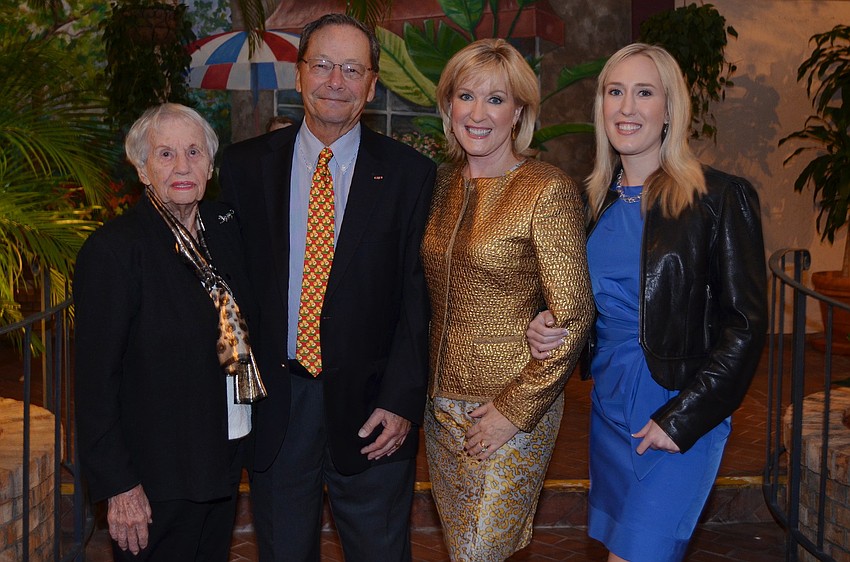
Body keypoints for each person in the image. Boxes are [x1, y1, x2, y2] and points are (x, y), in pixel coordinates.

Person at [526, 43, 767, 562]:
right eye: (615, 92)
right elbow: (584, 304)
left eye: (644, 93)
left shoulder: (719, 198)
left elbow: (745, 327)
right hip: (610, 410)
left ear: (670, 109)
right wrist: (549, 323)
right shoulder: (589, 203)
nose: (627, 107)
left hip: (678, 408)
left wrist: (683, 418)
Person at [218, 13, 436, 562]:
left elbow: (417, 300)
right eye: (321, 65)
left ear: (371, 84)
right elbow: (227, 293)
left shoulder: (410, 175)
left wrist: (400, 402)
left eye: (351, 69)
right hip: (277, 407)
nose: (335, 81)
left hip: (373, 413)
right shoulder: (243, 168)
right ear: (298, 75)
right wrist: (240, 391)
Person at [420, 38, 595, 561]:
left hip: (511, 407)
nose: (478, 114)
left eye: (495, 99)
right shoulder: (440, 186)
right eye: (466, 96)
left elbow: (574, 314)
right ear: (449, 105)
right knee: (464, 551)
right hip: (440, 410)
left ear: (518, 112)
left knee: (478, 552)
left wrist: (513, 411)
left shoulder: (545, 188)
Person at [75, 103, 262, 560]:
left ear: (210, 166)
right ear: (142, 169)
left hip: (221, 454)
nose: (182, 166)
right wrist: (119, 485)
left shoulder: (224, 232)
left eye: (194, 152)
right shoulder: (115, 251)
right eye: (165, 154)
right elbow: (96, 384)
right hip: (155, 475)